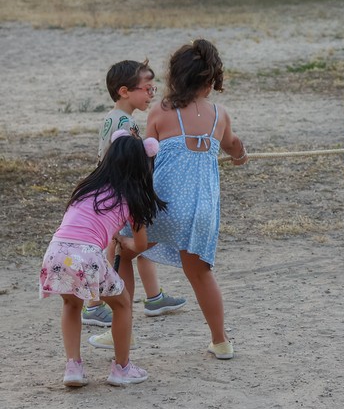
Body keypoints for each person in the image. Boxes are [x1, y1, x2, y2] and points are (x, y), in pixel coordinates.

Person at [143, 40, 248, 360]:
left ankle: (113, 326)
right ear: (210, 79)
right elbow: (233, 146)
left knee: (123, 249)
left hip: (162, 207)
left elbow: (146, 155)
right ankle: (221, 341)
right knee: (201, 274)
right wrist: (240, 154)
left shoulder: (160, 111)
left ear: (175, 76)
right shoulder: (220, 115)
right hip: (201, 212)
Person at [39, 131, 165, 387]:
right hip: (87, 256)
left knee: (71, 304)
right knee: (122, 304)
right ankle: (122, 368)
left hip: (56, 251)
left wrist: (113, 235)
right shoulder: (132, 198)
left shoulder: (86, 188)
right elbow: (140, 245)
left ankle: (73, 367)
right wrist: (125, 242)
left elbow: (86, 223)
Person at [86, 60, 186, 349]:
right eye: (147, 88)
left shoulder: (113, 118)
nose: (151, 94)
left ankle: (153, 297)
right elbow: (125, 163)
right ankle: (95, 303)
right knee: (119, 246)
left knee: (129, 241)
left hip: (113, 191)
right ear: (124, 91)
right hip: (120, 193)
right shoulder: (125, 124)